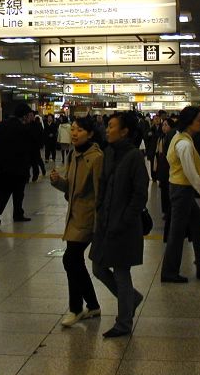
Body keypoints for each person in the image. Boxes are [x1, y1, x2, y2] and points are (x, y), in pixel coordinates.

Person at [89, 112, 148, 338]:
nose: (107, 129)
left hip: (124, 226)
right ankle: (131, 299)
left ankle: (123, 322)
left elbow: (140, 194)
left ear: (124, 131)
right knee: (98, 267)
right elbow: (103, 183)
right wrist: (100, 208)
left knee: (121, 272)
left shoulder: (134, 157)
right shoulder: (109, 152)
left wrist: (125, 219)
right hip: (105, 222)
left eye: (112, 126)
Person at [49, 117, 103, 327]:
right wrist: (57, 182)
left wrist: (99, 228)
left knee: (70, 259)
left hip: (87, 218)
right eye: (72, 129)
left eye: (79, 130)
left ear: (90, 134)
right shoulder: (73, 154)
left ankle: (76, 308)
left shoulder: (96, 158)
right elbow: (69, 188)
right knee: (74, 261)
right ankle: (92, 305)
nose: (74, 133)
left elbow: (100, 194)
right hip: (74, 215)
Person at [161, 106, 200, 283]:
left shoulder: (180, 137)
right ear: (188, 122)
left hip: (181, 190)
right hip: (182, 191)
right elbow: (190, 172)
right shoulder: (184, 144)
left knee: (199, 227)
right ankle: (169, 272)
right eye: (198, 120)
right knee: (177, 233)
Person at [0, 103, 34, 223]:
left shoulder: (2, 125)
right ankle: (18, 213)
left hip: (4, 165)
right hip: (19, 165)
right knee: (18, 192)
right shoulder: (23, 128)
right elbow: (26, 147)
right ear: (24, 116)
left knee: (4, 189)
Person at [154, 117, 176, 242]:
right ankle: (165, 210)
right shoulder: (162, 137)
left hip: (167, 168)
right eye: (163, 125)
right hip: (163, 167)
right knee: (164, 190)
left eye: (166, 125)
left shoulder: (172, 138)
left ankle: (168, 211)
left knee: (167, 190)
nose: (164, 127)